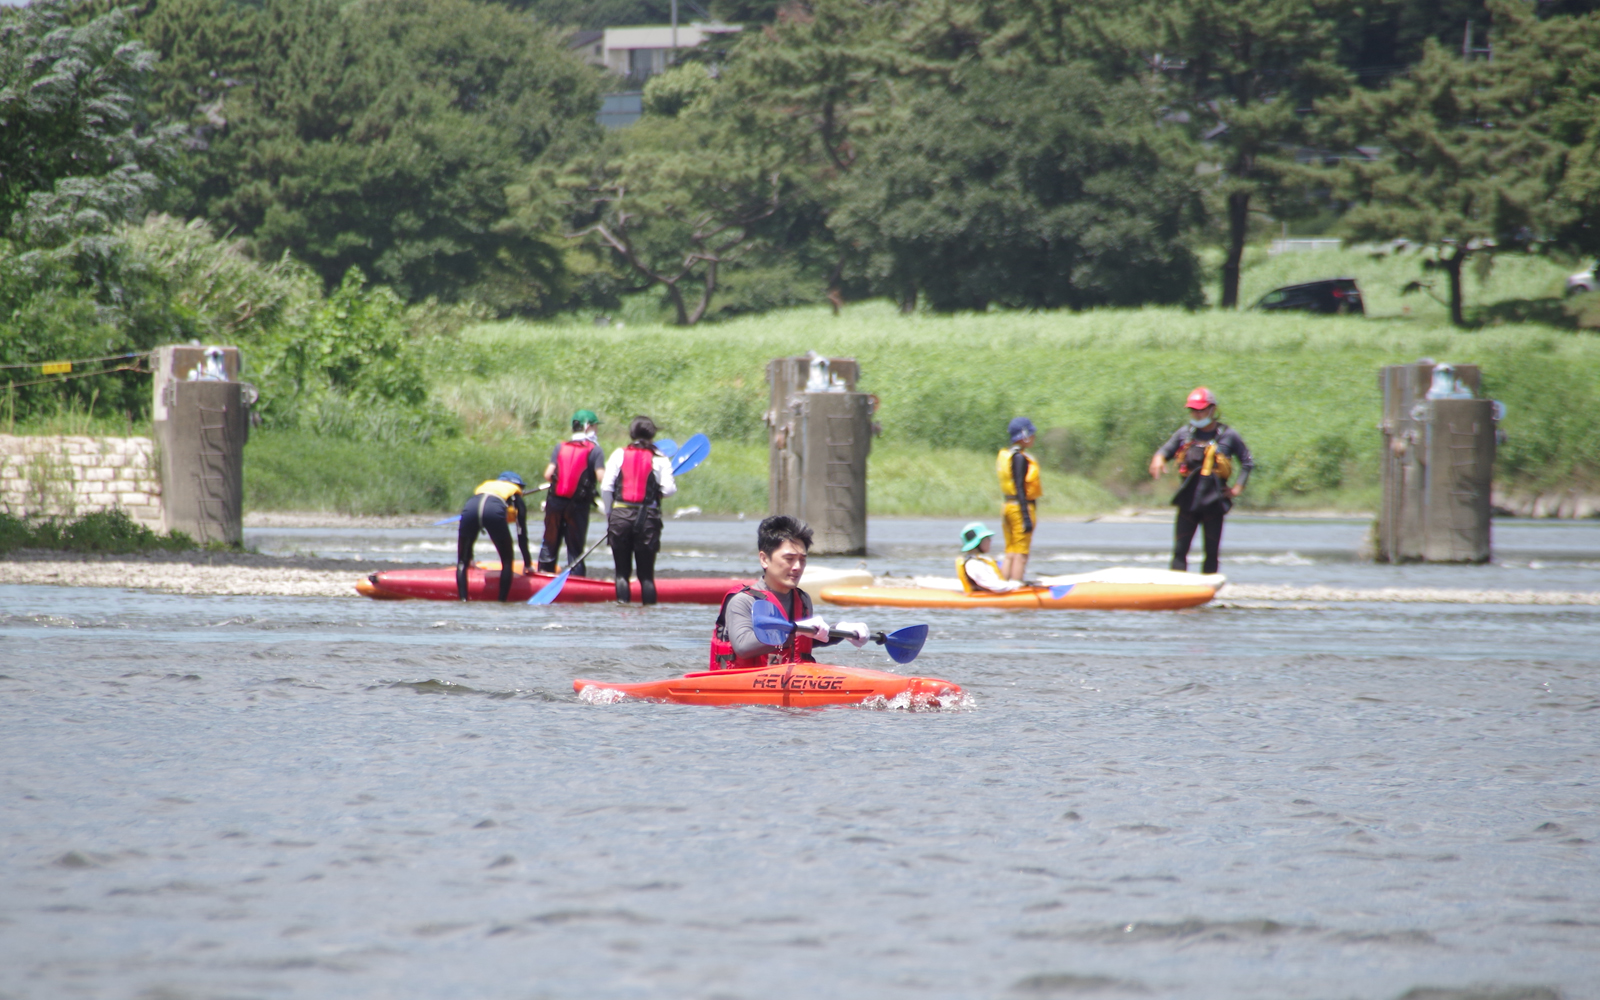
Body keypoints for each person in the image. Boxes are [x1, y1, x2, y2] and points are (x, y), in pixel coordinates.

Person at [708, 515, 870, 670]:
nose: (797, 567)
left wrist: (841, 631)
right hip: (742, 685)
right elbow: (743, 647)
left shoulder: (802, 599)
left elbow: (802, 642)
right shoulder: (743, 601)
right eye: (789, 559)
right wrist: (793, 629)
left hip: (785, 682)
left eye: (802, 559)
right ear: (764, 559)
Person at [1148, 386, 1254, 575]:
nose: (1196, 414)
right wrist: (1159, 458)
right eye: (1193, 410)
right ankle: (1177, 591)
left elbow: (1247, 462)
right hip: (1188, 503)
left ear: (1212, 410)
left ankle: (1207, 594)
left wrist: (1237, 488)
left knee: (1211, 553)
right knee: (1180, 551)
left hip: (1214, 504)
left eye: (1200, 410)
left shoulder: (1228, 436)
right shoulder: (1184, 434)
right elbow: (1165, 451)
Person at [600, 415, 677, 605]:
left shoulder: (619, 454)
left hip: (620, 516)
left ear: (632, 433)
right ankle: (649, 618)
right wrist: (656, 492)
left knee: (621, 574)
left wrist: (610, 514)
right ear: (652, 434)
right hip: (647, 518)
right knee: (646, 577)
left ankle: (622, 612)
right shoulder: (660, 458)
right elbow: (669, 490)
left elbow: (606, 488)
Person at [538, 408, 606, 577]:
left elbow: (548, 475)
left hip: (554, 503)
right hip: (578, 506)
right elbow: (601, 478)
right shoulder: (595, 450)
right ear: (588, 427)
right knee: (575, 549)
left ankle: (543, 576)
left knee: (550, 542)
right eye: (596, 427)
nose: (597, 431)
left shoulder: (560, 447)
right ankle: (575, 581)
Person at [456, 472, 535, 602]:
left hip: (471, 507)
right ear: (515, 485)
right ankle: (501, 601)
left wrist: (469, 557)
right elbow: (521, 534)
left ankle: (463, 600)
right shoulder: (516, 497)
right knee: (507, 561)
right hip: (493, 511)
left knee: (461, 561)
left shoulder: (487, 487)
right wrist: (527, 564)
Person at [997, 416, 1041, 581]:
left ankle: (1004, 585)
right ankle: (1015, 586)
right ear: (1024, 436)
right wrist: (1026, 516)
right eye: (1031, 434)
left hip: (1008, 506)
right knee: (1021, 553)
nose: (1034, 437)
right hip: (1020, 508)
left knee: (1010, 552)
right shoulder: (1020, 458)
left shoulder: (1010, 455)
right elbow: (1020, 489)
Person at [955, 522, 1024, 593]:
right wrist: (1018, 585)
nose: (990, 541)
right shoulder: (974, 564)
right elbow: (995, 586)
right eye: (987, 538)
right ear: (977, 543)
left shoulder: (982, 560)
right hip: (984, 599)